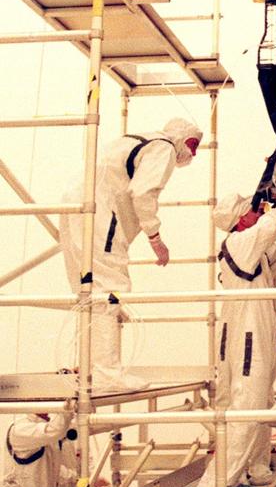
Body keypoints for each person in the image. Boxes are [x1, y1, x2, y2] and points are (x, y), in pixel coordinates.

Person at [60, 118, 203, 390]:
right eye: (192, 145)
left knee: (87, 291)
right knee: (109, 289)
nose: (192, 153)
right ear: (180, 137)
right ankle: (106, 374)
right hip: (100, 212)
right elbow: (143, 193)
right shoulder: (164, 147)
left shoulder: (135, 137)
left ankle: (89, 367)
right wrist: (155, 237)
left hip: (77, 204)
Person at [198, 194, 276, 487]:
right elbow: (270, 228)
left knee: (259, 405)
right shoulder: (238, 243)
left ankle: (249, 471)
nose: (257, 211)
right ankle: (216, 485)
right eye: (251, 210)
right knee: (248, 408)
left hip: (254, 335)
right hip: (247, 339)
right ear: (239, 218)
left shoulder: (252, 253)